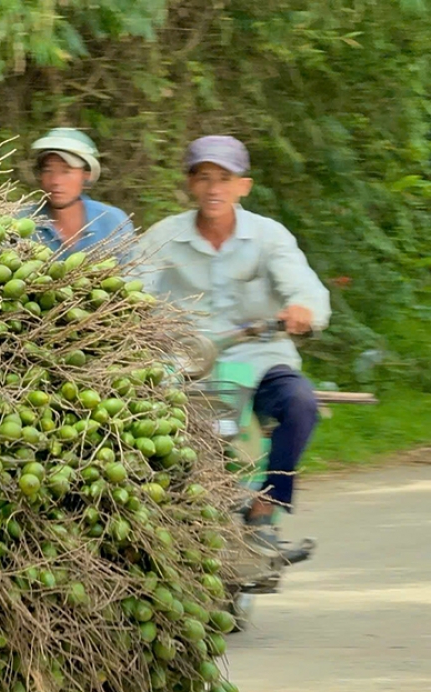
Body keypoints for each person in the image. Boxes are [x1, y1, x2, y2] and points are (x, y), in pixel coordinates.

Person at [136, 135, 330, 538]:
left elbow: (307, 290)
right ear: (190, 184)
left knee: (300, 405)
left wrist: (303, 311)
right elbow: (129, 285)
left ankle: (268, 501)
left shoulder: (268, 236)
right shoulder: (164, 236)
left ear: (244, 185)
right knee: (144, 425)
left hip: (259, 359)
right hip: (188, 365)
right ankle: (164, 517)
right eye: (204, 177)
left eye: (225, 178)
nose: (214, 188)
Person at [17, 127, 134, 253]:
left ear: (86, 175)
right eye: (48, 170)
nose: (55, 181)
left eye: (66, 171)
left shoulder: (113, 222)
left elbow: (134, 269)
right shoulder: (20, 222)